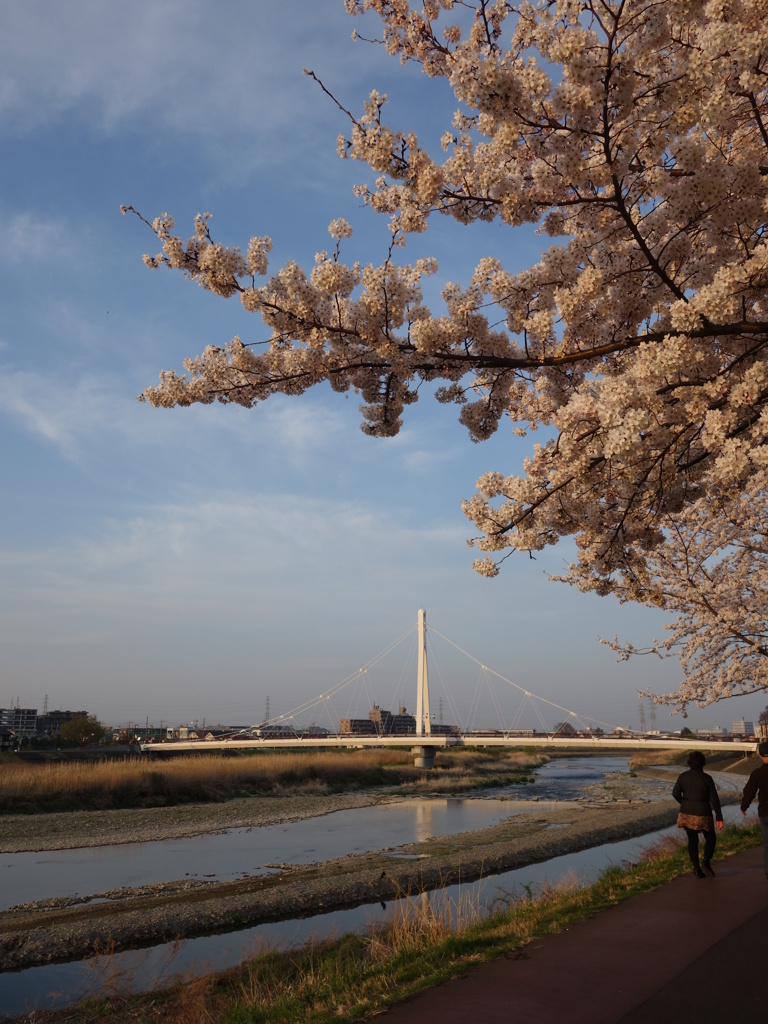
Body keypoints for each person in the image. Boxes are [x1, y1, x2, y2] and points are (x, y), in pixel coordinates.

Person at [672, 750, 724, 878]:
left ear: (689, 763)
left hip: (686, 813)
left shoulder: (682, 776)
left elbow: (675, 793)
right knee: (711, 838)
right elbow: (714, 799)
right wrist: (719, 816)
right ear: (703, 763)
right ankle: (706, 861)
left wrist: (684, 803)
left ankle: (696, 869)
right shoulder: (707, 778)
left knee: (692, 840)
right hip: (703, 812)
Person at [740, 740, 768, 880]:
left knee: (767, 842)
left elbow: (750, 791)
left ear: (759, 755)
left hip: (765, 812)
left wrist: (744, 806)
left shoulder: (757, 773)